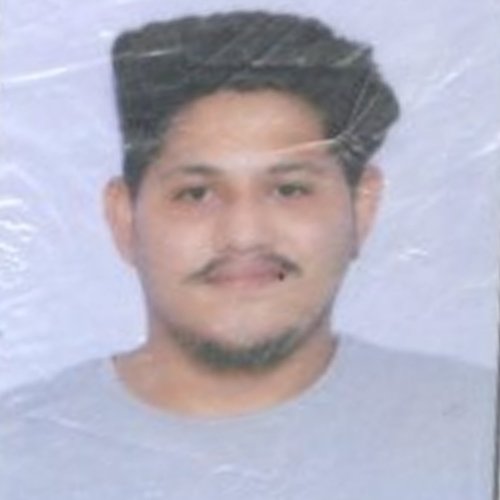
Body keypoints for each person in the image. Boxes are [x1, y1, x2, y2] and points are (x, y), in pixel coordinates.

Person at [0, 10, 495, 500]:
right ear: (124, 218)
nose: (244, 235)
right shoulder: (17, 451)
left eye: (290, 189)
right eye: (196, 194)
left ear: (361, 207)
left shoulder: (474, 429)